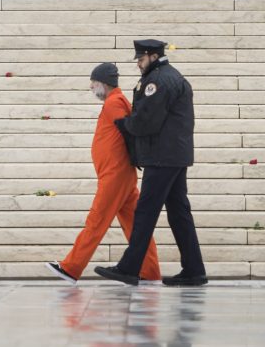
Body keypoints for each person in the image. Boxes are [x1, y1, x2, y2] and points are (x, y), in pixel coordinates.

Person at [95, 40, 207, 287]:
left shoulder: (158, 81)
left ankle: (129, 267)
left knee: (145, 212)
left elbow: (145, 121)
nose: (138, 64)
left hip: (162, 156)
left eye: (140, 59)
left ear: (153, 56)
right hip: (174, 155)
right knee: (179, 214)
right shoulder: (172, 76)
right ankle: (194, 269)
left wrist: (124, 124)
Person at [46, 63, 161, 285]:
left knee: (96, 221)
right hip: (119, 175)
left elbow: (129, 130)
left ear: (103, 83)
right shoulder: (115, 101)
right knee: (137, 226)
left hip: (115, 176)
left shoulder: (115, 102)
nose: (91, 87)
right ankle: (150, 271)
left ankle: (71, 267)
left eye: (93, 83)